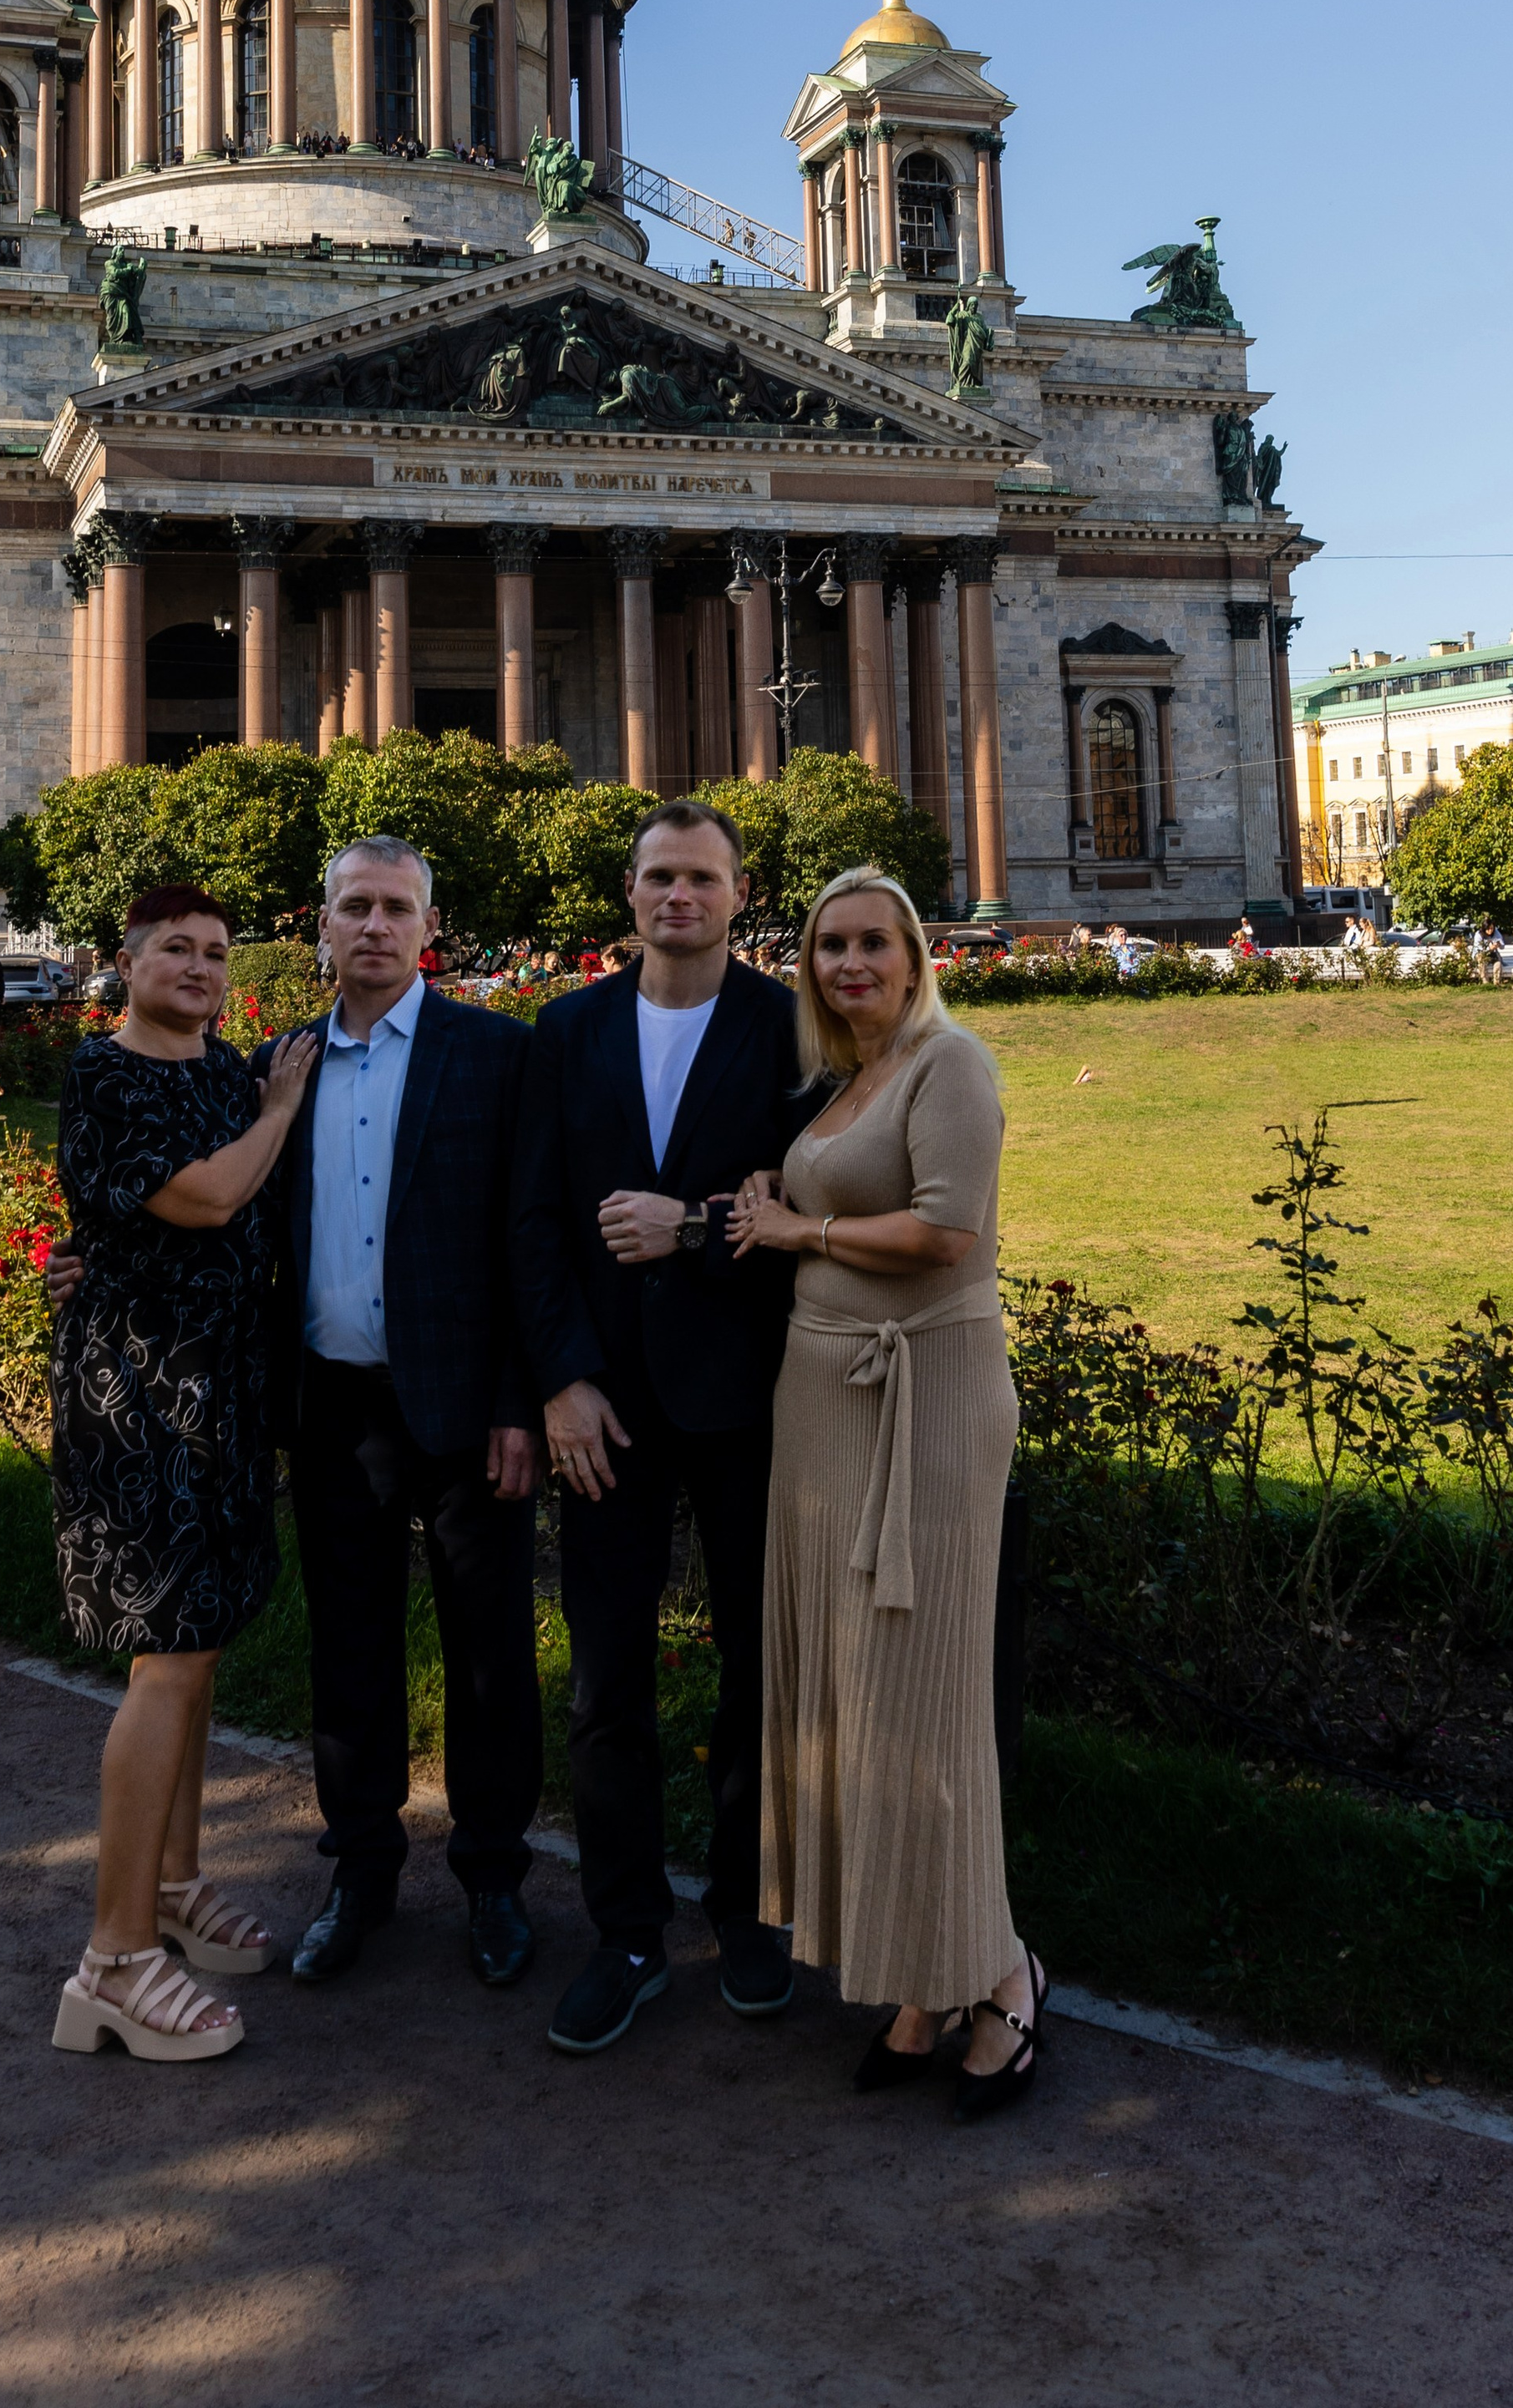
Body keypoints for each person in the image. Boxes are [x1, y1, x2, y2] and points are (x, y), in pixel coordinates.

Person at [728, 866, 1045, 2122]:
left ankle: (1003, 1972)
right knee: (856, 1698)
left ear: (916, 954)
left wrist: (794, 1232)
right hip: (826, 1408)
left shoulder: (947, 1062)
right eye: (829, 946)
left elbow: (946, 1232)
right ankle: (923, 1974)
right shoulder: (844, 1078)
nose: (850, 962)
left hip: (926, 1401)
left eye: (873, 942)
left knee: (925, 1699)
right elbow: (816, 1205)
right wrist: (770, 1210)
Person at [510, 799, 800, 2055]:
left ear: (740, 896)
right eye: (657, 878)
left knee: (759, 1672)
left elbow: (802, 1215)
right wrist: (562, 1380)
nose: (678, 897)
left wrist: (693, 1229)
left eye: (702, 878)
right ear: (626, 898)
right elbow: (531, 1225)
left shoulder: (793, 1031)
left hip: (748, 1398)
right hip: (606, 1410)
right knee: (606, 1682)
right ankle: (626, 1933)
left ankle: (749, 1914)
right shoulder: (565, 1029)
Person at [48, 885, 318, 2064]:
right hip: (143, 1390)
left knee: (199, 1645)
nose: (201, 967)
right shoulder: (106, 1074)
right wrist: (282, 1106)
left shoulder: (222, 1074)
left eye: (215, 952)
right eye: (176, 950)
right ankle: (111, 1960)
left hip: (224, 1384)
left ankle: (172, 1883)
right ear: (128, 961)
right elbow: (209, 1198)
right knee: (164, 1656)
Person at [267, 838, 541, 1993]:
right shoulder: (278, 1066)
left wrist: (522, 1404)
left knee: (488, 1657)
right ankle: (362, 1872)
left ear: (429, 928)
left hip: (470, 1413)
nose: (372, 927)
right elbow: (229, 1219)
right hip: (334, 1406)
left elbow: (531, 1240)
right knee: (352, 1652)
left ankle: (492, 1878)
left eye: (395, 909)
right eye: (352, 908)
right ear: (320, 925)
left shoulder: (494, 1053)